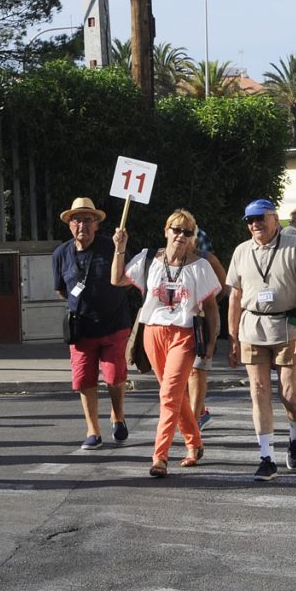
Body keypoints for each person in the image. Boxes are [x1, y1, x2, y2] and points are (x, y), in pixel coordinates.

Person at [111, 210, 221, 476]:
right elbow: (117, 280)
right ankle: (194, 443)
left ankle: (160, 457)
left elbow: (211, 307)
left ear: (193, 237)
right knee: (175, 395)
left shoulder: (200, 266)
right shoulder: (150, 259)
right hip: (153, 333)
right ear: (166, 231)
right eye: (176, 229)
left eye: (187, 232)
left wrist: (211, 343)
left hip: (183, 334)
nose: (181, 236)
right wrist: (120, 248)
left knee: (169, 395)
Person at [226, 199, 296, 481]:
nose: (254, 224)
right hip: (252, 327)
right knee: (258, 391)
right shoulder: (242, 251)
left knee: (289, 394)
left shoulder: (294, 246)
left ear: (275, 218)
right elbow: (234, 295)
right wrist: (232, 336)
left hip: (287, 327)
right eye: (249, 220)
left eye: (260, 218)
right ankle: (266, 457)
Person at [52, 197, 132, 450]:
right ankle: (93, 430)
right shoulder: (61, 254)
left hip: (114, 325)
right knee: (84, 380)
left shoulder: (111, 247)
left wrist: (122, 248)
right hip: (81, 329)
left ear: (96, 224)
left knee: (113, 376)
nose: (81, 225)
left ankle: (118, 416)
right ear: (69, 225)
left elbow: (129, 277)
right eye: (77, 220)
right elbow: (60, 289)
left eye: (87, 219)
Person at [185, 228, 228, 431]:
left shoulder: (207, 259)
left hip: (203, 321)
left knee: (197, 370)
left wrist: (208, 304)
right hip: (182, 323)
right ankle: (200, 410)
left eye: (188, 236)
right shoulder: (170, 259)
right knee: (183, 373)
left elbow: (223, 287)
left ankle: (195, 420)